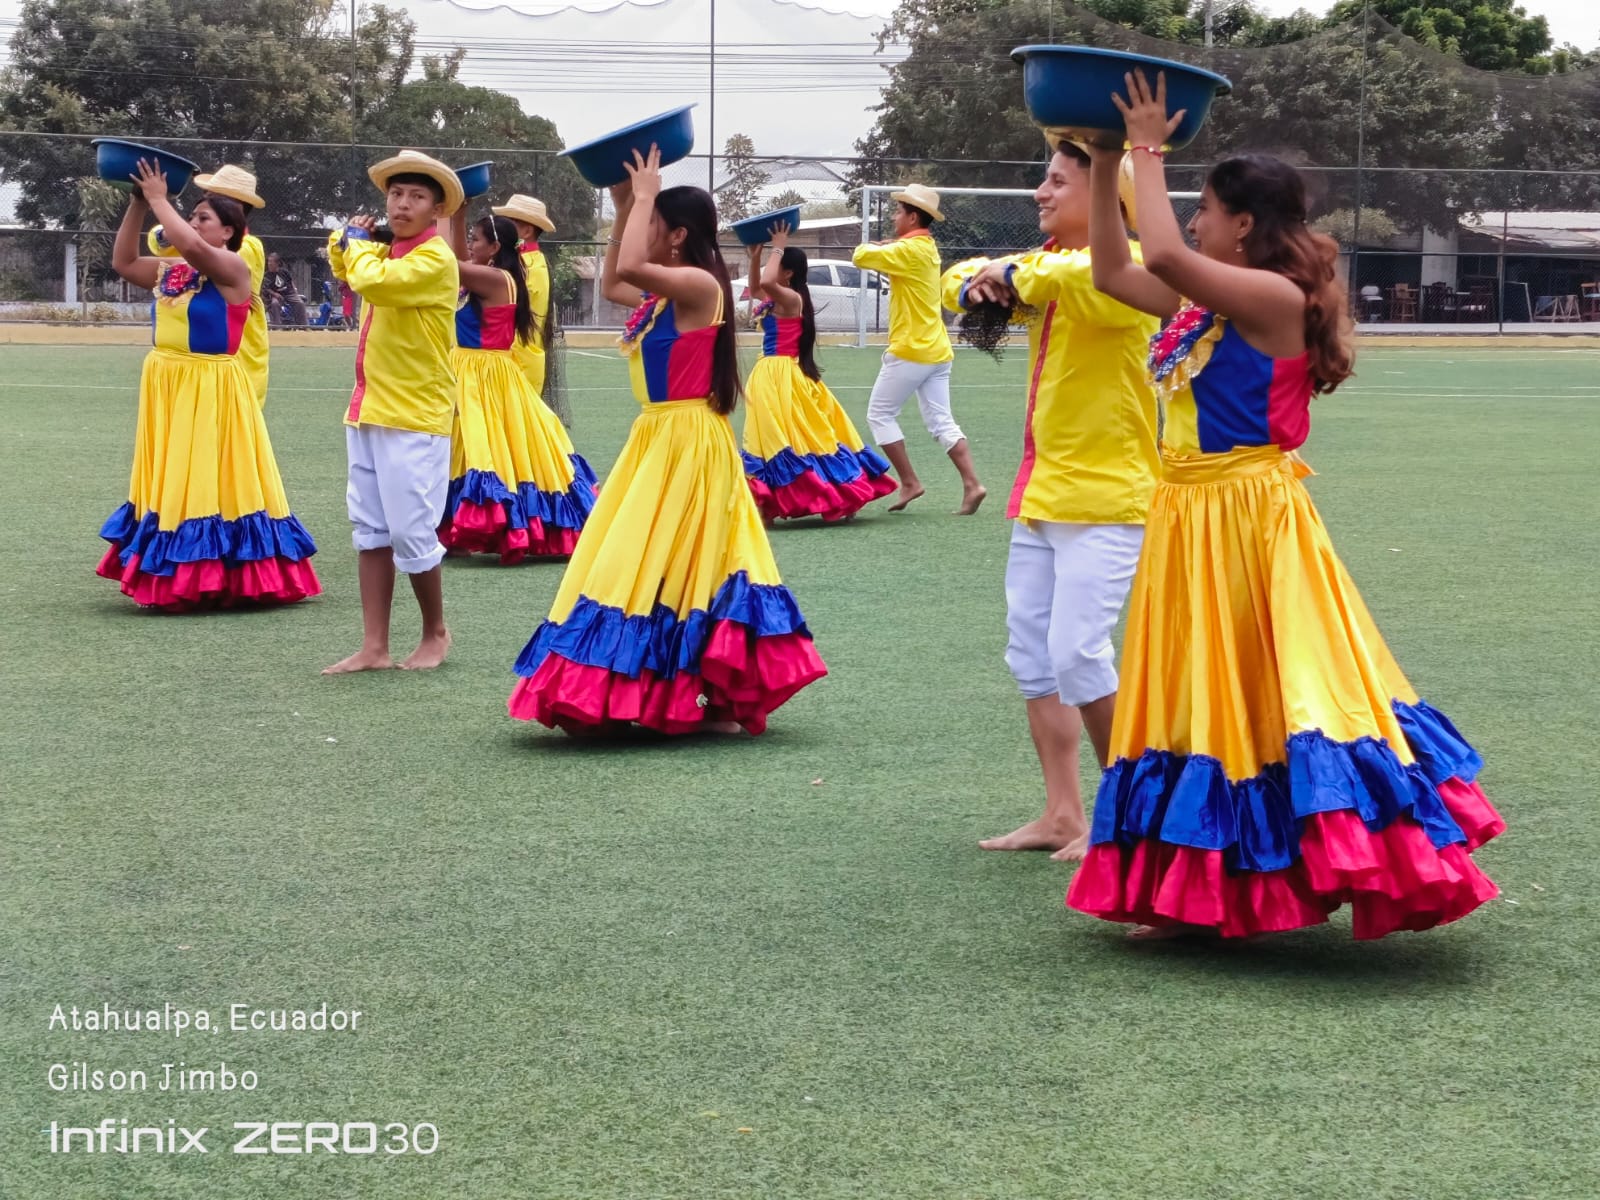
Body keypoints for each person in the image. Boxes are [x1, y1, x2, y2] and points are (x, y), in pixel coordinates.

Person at [1065, 71, 1503, 939]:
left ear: (1243, 225)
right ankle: (1195, 891)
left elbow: (1161, 256)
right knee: (1196, 695)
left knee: (1268, 695)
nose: (1193, 222)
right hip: (1189, 516)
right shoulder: (1204, 307)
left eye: (1204, 210)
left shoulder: (1271, 297)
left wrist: (1147, 148)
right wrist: (1107, 156)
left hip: (1248, 520)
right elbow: (1114, 269)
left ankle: (1278, 873)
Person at [509, 146, 826, 734]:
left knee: (686, 557)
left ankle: (705, 694)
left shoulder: (699, 286)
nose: (642, 229)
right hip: (660, 438)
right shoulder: (667, 298)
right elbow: (614, 279)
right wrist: (624, 205)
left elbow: (630, 268)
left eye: (651, 224)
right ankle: (686, 692)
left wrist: (646, 195)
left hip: (688, 440)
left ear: (677, 236)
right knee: (658, 557)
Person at [941, 145, 1167, 859]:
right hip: (1042, 494)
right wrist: (990, 278)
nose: (1041, 192)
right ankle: (1063, 813)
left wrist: (1009, 276)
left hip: (1107, 498)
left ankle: (1127, 818)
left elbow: (1079, 276)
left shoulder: (1128, 271)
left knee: (1077, 654)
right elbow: (953, 280)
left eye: (1057, 181)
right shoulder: (1044, 265)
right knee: (1032, 657)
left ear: (1105, 196)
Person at [98, 158, 319, 608]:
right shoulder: (175, 270)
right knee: (174, 475)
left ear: (228, 232)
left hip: (210, 384)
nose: (195, 223)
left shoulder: (235, 266)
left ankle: (219, 572)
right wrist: (138, 204)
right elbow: (124, 262)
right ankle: (174, 563)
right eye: (193, 215)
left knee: (209, 476)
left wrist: (159, 199)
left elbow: (194, 248)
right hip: (167, 382)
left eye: (204, 218)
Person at [322, 149, 462, 674]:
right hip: (368, 409)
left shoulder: (434, 260)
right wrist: (348, 241)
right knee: (370, 529)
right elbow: (345, 265)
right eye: (396, 194)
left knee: (410, 531)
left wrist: (357, 244)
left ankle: (435, 632)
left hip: (414, 414)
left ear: (436, 211)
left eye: (416, 196)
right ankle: (374, 646)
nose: (401, 204)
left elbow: (371, 281)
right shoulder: (388, 254)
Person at [438, 209, 596, 562]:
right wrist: (457, 214)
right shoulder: (494, 274)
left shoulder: (495, 279)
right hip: (476, 369)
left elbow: (447, 262)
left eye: (476, 240)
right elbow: (458, 257)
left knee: (484, 447)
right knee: (470, 445)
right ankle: (454, 526)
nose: (470, 245)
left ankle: (496, 523)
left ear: (494, 247)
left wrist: (437, 217)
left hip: (483, 373)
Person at [741, 221, 896, 522]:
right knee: (769, 434)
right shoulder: (780, 298)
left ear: (788, 273)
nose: (771, 269)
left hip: (782, 375)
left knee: (792, 433)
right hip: (769, 374)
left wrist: (778, 246)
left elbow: (767, 283)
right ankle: (769, 501)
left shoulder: (792, 299)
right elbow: (758, 287)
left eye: (777, 265)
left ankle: (835, 494)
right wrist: (756, 256)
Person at [852, 184, 985, 515]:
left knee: (879, 415)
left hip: (912, 350)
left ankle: (910, 481)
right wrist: (893, 246)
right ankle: (972, 484)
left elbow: (860, 256)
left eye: (899, 212)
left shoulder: (908, 250)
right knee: (941, 421)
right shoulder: (926, 247)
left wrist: (883, 246)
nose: (894, 217)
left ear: (913, 218)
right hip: (937, 350)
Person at [148, 164, 269, 404]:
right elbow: (157, 240)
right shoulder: (195, 238)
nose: (205, 201)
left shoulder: (247, 247)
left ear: (234, 208)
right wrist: (165, 232)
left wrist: (159, 202)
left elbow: (195, 251)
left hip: (235, 361)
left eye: (213, 198)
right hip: (197, 364)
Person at [491, 193, 560, 403]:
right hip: (517, 361)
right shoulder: (530, 261)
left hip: (518, 362)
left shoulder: (526, 266)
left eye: (510, 223)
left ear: (527, 231)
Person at [262, 251, 308, 329]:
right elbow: (266, 288)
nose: (269, 264)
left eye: (271, 262)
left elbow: (291, 282)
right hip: (276, 295)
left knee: (300, 303)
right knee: (274, 304)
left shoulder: (284, 272)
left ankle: (303, 326)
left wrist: (295, 292)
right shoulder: (267, 275)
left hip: (289, 293)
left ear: (277, 263)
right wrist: (275, 294)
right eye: (268, 262)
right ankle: (277, 326)